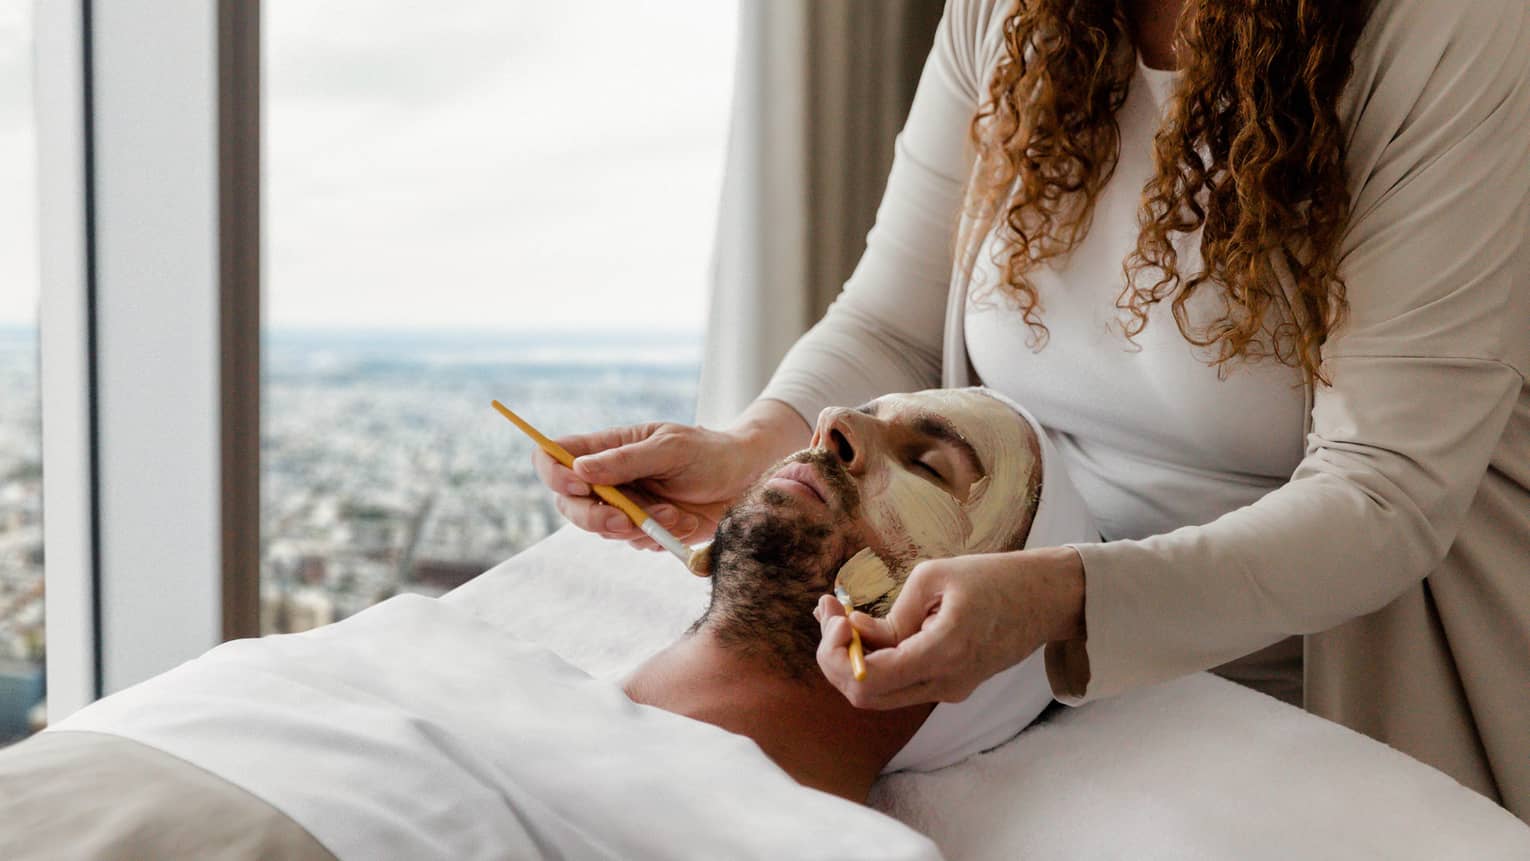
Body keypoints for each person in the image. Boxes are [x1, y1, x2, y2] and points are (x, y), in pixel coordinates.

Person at [534, 0, 1530, 820]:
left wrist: (1058, 603)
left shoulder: (1450, 28)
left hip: (1305, 664)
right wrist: (752, 444)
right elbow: (889, 322)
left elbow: (1384, 494)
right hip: (1017, 635)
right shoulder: (1011, 13)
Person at [0, 388, 1088, 858]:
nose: (836, 421)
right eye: (867, 412)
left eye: (930, 465)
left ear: (966, 651)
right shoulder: (416, 647)